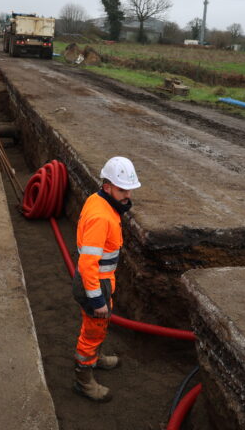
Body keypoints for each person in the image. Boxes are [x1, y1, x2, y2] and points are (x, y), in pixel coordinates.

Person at [71, 156, 141, 402]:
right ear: (108, 186)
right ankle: (84, 380)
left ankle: (95, 357)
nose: (128, 195)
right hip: (94, 284)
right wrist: (98, 299)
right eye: (123, 189)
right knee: (92, 332)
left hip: (97, 281)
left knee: (95, 328)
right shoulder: (102, 217)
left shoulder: (99, 200)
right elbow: (88, 263)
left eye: (130, 189)